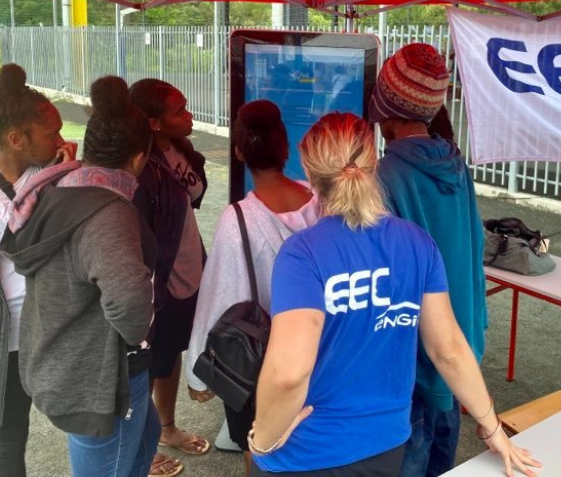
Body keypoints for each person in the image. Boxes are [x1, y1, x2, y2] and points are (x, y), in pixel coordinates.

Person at [247, 112, 540, 477]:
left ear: (308, 172)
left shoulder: (302, 253)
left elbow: (289, 373)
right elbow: (448, 349)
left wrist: (263, 442)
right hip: (385, 447)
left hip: (306, 452)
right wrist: (492, 427)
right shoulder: (417, 242)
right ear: (374, 162)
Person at [0, 76, 159, 476]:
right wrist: (137, 333)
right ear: (138, 159)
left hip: (65, 355)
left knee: (143, 440)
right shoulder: (106, 209)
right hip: (98, 373)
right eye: (51, 133)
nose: (59, 141)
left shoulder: (57, 187)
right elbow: (128, 298)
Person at [369, 43, 488, 476]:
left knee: (412, 458)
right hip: (460, 347)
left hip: (414, 358)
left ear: (387, 110)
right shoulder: (457, 165)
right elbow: (475, 249)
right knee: (444, 457)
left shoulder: (385, 177)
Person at [186, 99, 319, 476]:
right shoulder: (320, 202)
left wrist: (197, 371)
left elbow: (220, 297)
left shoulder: (238, 219)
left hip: (261, 362)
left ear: (239, 152)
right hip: (319, 351)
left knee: (258, 448)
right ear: (286, 148)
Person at [129, 79, 209, 477]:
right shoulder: (140, 168)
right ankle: (141, 448)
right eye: (180, 111)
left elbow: (192, 199)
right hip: (162, 280)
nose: (189, 116)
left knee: (171, 349)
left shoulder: (182, 150)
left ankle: (165, 427)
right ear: (154, 123)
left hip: (188, 266)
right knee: (145, 363)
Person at [0, 63, 77, 477]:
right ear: (17, 139)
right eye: (52, 133)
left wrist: (65, 179)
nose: (63, 141)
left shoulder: (49, 177)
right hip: (6, 339)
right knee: (8, 440)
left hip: (42, 331)